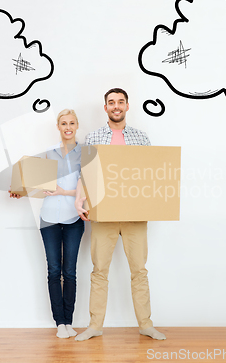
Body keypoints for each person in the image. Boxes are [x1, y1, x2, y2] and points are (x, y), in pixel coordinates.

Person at [74, 88, 166, 341]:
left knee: (139, 270)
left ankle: (146, 324)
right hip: (103, 212)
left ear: (127, 106)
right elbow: (86, 172)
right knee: (99, 269)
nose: (116, 106)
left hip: (135, 214)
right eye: (111, 102)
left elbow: (151, 174)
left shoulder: (141, 137)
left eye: (120, 102)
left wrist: (157, 202)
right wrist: (79, 199)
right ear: (105, 108)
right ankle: (95, 326)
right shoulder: (93, 137)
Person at [9, 109, 84, 339]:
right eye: (63, 123)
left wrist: (64, 191)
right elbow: (37, 181)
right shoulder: (48, 154)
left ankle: (69, 321)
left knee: (69, 272)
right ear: (58, 127)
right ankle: (59, 322)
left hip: (74, 219)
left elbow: (88, 187)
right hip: (49, 219)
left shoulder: (86, 154)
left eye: (71, 122)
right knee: (53, 270)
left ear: (77, 126)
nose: (67, 127)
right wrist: (21, 191)